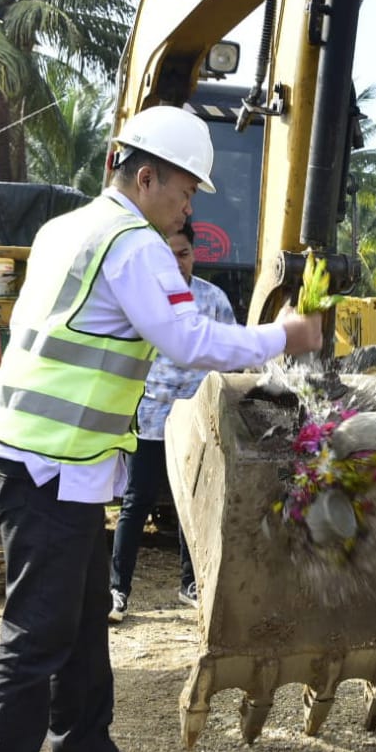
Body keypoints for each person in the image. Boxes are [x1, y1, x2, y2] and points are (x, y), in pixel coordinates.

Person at [0, 104, 322, 752]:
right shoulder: (134, 243)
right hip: (52, 461)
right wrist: (285, 335)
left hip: (55, 459)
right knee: (39, 631)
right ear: (145, 178)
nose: (188, 208)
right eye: (186, 190)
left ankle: (84, 749)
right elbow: (189, 340)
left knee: (83, 619)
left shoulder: (67, 227)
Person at [108, 218, 237, 623]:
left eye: (182, 254)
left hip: (197, 422)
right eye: (165, 256)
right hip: (149, 419)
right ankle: (116, 590)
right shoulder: (136, 301)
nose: (176, 263)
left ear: (194, 254)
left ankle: (191, 584)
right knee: (136, 502)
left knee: (192, 504)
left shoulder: (212, 299)